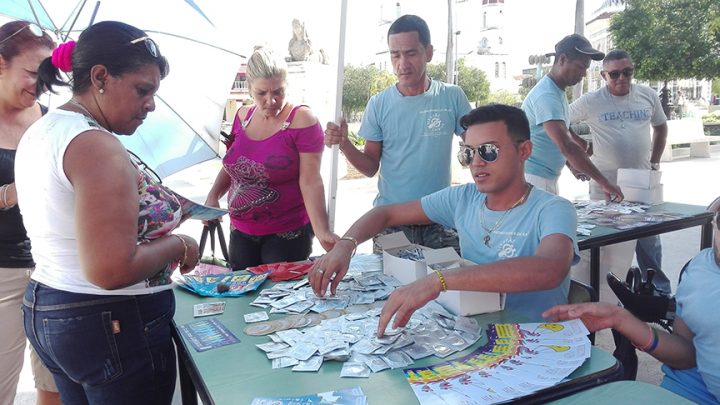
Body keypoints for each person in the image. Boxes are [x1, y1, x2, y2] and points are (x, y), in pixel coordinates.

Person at [16, 21, 200, 404]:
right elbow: (110, 270)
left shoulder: (45, 128)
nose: (150, 104)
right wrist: (178, 244)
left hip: (53, 306)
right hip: (108, 319)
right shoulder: (96, 145)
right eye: (142, 89)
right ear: (100, 76)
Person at [311, 104, 580, 335]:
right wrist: (346, 244)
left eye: (489, 151)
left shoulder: (553, 209)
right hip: (478, 336)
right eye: (468, 152)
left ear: (524, 151)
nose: (477, 162)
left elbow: (549, 269)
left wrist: (438, 280)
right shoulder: (463, 199)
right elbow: (386, 213)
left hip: (539, 340)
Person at [543, 203, 720, 404]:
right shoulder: (698, 268)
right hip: (684, 391)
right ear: (714, 217)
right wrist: (621, 320)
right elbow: (687, 355)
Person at [324, 14, 471, 252]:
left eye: (411, 53)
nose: (402, 63)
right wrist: (344, 144)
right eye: (395, 54)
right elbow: (370, 166)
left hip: (441, 220)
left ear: (429, 52)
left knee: (447, 287)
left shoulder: (452, 97)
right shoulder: (378, 104)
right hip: (391, 223)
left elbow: (475, 146)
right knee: (389, 289)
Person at [204, 48, 337, 270]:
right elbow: (233, 165)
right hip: (240, 231)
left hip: (286, 235)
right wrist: (212, 196)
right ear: (249, 89)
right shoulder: (242, 116)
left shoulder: (302, 120)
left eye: (278, 91)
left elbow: (311, 180)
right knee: (242, 300)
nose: (271, 100)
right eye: (261, 93)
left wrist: (322, 230)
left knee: (278, 300)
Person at [569, 49, 670, 296]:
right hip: (604, 186)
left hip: (642, 184)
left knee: (649, 242)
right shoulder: (591, 101)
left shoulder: (647, 95)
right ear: (604, 75)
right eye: (614, 74)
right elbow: (559, 121)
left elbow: (661, 126)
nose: (621, 78)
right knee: (606, 246)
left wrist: (655, 162)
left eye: (627, 72)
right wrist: (580, 148)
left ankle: (658, 294)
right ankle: (608, 294)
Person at [0, 20, 61, 405]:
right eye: (30, 73)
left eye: (46, 75)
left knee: (56, 381)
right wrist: (15, 192)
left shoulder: (51, 117)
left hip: (51, 267)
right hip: (2, 272)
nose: (38, 85)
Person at [521, 33, 624, 201]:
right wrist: (604, 182)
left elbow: (560, 132)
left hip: (544, 178)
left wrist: (571, 164)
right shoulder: (546, 95)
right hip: (536, 179)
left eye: (586, 68)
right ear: (562, 60)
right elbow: (566, 144)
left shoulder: (556, 90)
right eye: (580, 66)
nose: (583, 74)